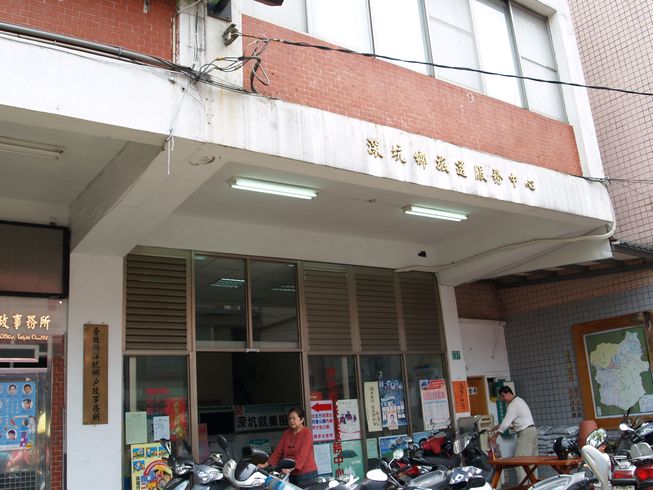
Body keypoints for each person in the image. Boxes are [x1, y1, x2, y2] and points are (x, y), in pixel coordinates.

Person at [260, 408, 318, 488]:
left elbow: (302, 455)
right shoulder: (286, 433)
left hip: (306, 474)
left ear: (302, 420)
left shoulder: (307, 433)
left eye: (294, 418)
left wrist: (290, 469)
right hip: (289, 473)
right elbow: (278, 451)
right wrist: (265, 464)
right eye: (289, 419)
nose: (291, 421)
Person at [490, 386, 537, 483]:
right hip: (532, 431)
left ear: (509, 393)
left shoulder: (513, 404)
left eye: (503, 396)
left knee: (519, 462)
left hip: (526, 434)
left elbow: (507, 422)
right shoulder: (520, 400)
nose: (502, 399)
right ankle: (534, 485)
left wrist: (495, 436)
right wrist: (498, 426)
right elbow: (513, 421)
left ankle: (523, 486)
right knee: (532, 462)